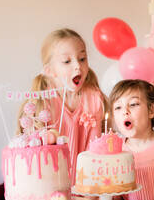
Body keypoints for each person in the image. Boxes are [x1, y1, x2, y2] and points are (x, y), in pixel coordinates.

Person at [17, 28, 107, 185]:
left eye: (82, 58)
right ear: (49, 70)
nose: (78, 66)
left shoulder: (93, 98)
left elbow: (95, 152)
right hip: (49, 186)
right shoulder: (41, 102)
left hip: (86, 186)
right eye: (67, 61)